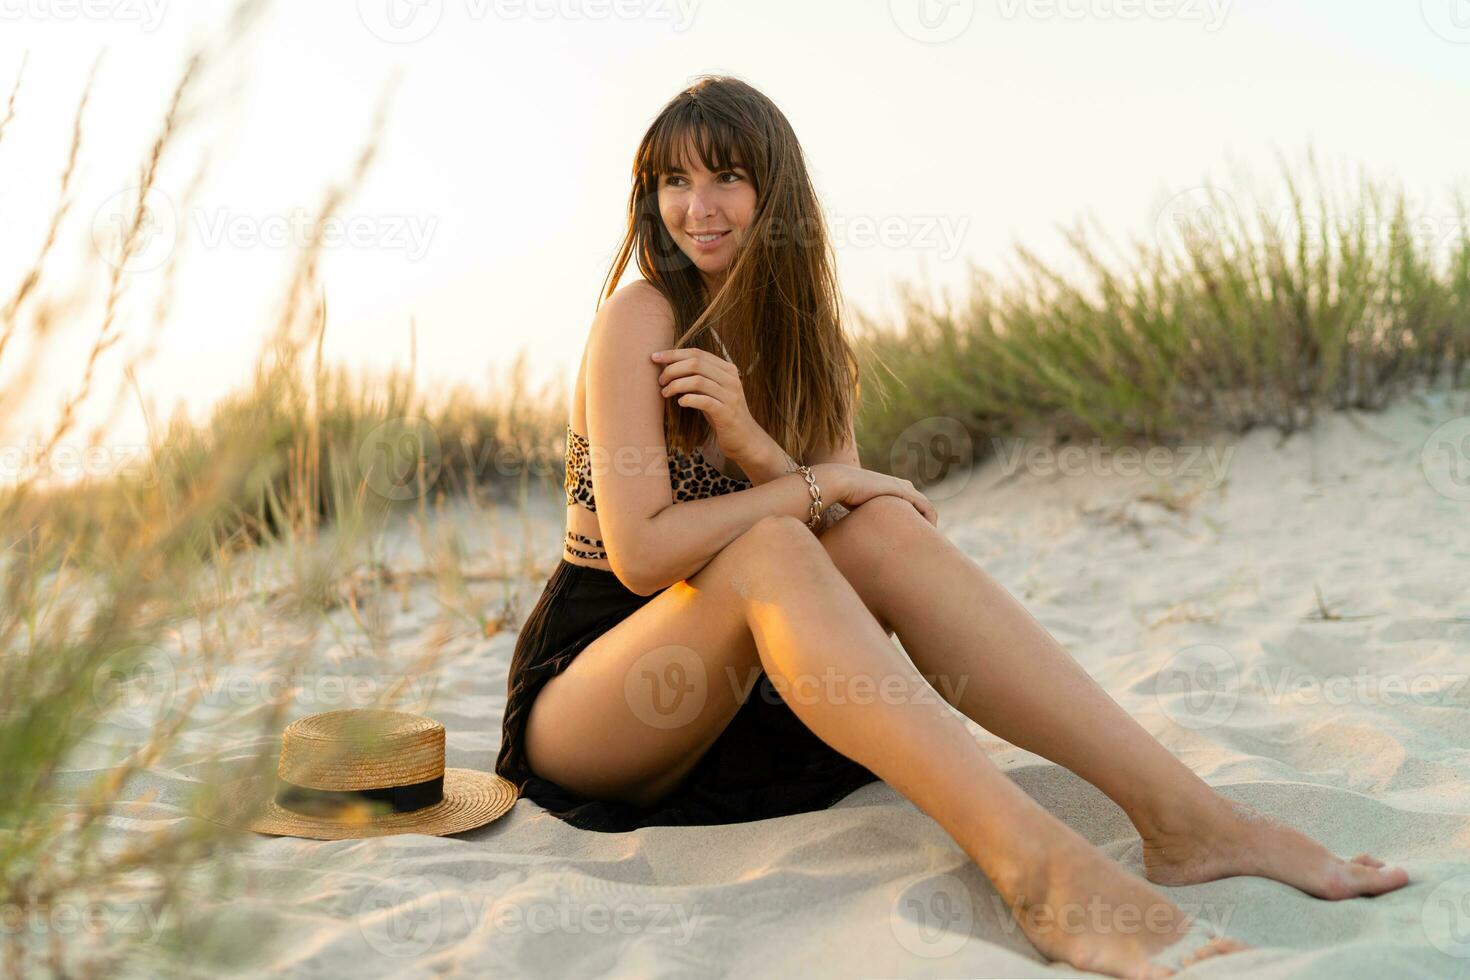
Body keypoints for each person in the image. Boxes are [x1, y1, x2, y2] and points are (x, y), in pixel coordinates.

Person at [495, 74, 1408, 977]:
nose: (699, 207)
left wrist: (758, 447)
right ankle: (1038, 869)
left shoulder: (804, 337)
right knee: (790, 534)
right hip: (607, 693)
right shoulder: (641, 317)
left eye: (726, 177)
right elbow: (645, 554)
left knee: (880, 529)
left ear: (775, 193)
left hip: (760, 701)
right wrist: (812, 486)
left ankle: (1190, 822)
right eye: (674, 182)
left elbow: (841, 517)